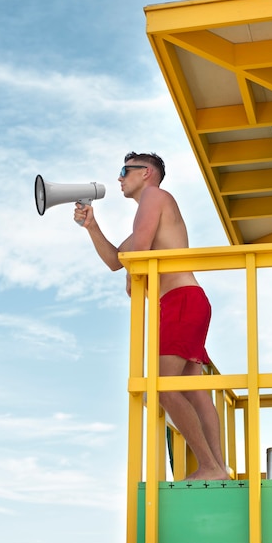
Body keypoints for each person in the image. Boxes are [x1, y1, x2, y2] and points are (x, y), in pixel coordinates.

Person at [74, 152, 228, 481]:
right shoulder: (152, 207)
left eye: (124, 171)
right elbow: (118, 259)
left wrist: (134, 272)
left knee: (162, 387)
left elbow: (137, 250)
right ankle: (218, 468)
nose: (119, 178)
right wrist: (92, 225)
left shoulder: (154, 196)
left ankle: (211, 466)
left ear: (146, 173)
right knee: (192, 390)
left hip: (179, 300)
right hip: (188, 300)